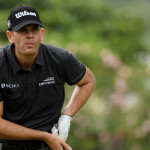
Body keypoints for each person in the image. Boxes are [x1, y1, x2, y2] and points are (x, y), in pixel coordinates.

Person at [0, 5, 95, 150]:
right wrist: (43, 136)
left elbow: (88, 81)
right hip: (11, 146)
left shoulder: (59, 58)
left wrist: (67, 116)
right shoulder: (1, 64)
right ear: (10, 36)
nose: (30, 35)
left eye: (34, 29)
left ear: (42, 33)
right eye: (23, 30)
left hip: (52, 145)